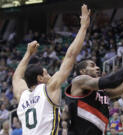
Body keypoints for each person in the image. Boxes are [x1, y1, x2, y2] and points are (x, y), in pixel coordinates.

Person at [12, 4, 91, 135]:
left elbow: (16, 77)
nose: (50, 76)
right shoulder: (49, 88)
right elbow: (70, 57)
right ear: (40, 78)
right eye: (47, 73)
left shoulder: (22, 95)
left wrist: (27, 54)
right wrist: (83, 27)